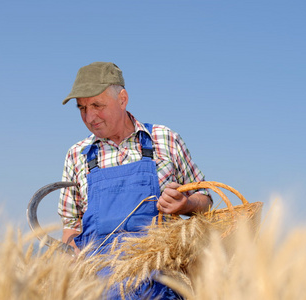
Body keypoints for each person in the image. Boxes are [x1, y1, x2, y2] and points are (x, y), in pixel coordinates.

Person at [58, 62, 212, 298]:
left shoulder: (165, 139)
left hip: (162, 288)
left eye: (97, 105)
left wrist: (186, 204)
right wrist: (71, 253)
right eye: (82, 108)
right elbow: (71, 227)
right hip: (101, 290)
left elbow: (206, 201)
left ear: (122, 99)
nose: (89, 117)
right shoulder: (76, 155)